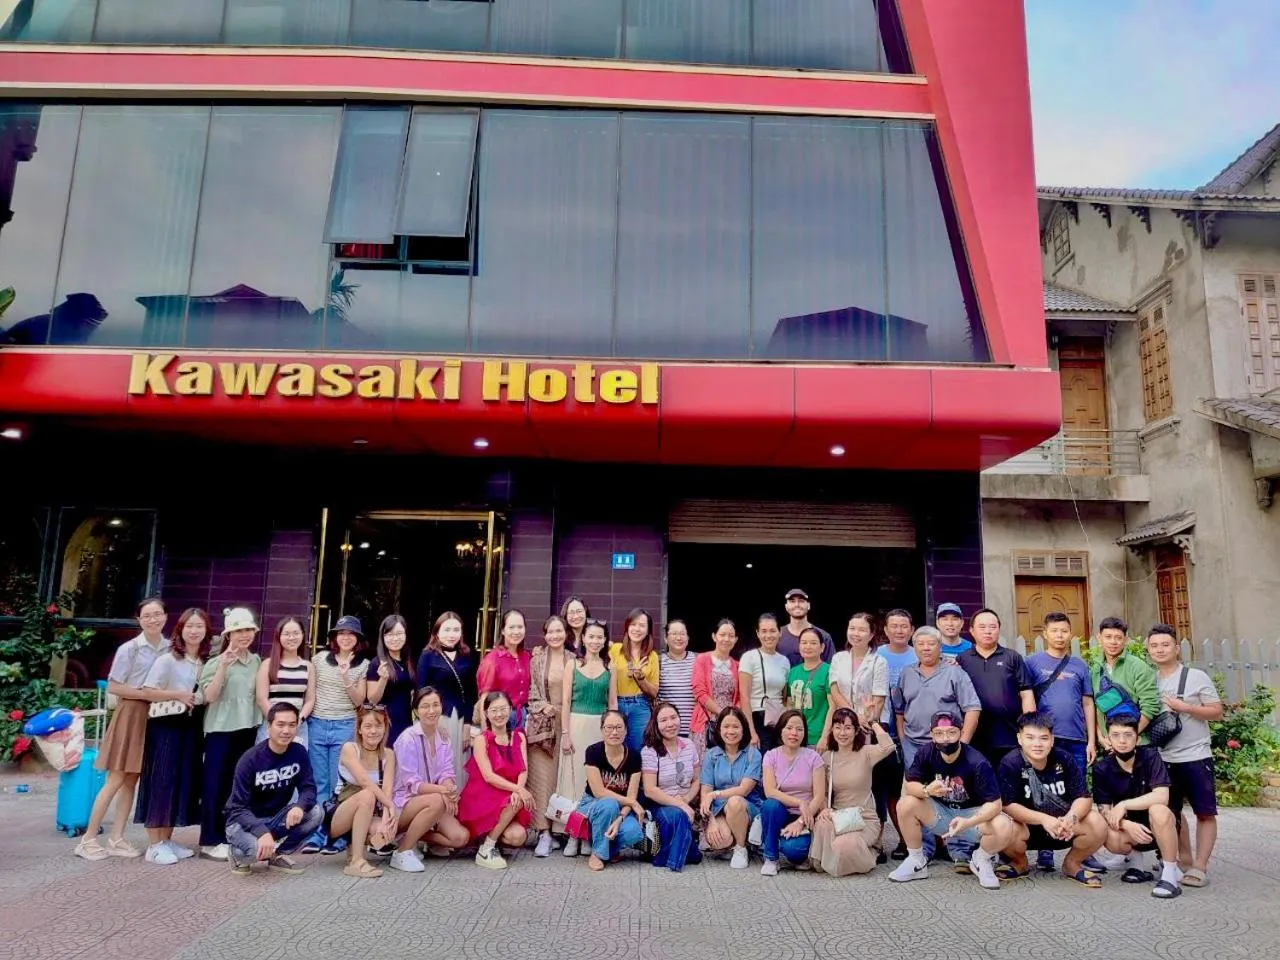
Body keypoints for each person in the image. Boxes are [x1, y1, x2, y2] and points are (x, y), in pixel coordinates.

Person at [76, 597, 179, 861]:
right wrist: (146, 693)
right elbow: (114, 686)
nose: (153, 619)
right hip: (131, 712)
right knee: (116, 779)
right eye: (147, 616)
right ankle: (88, 839)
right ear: (139, 619)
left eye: (158, 614)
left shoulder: (170, 648)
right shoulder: (130, 649)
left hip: (155, 716)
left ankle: (116, 838)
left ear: (166, 617)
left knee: (131, 780)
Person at [888, 711, 1014, 890]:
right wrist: (926, 790)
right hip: (941, 814)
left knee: (1003, 825)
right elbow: (910, 784)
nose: (945, 739)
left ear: (961, 733)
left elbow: (995, 804)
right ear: (932, 735)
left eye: (951, 732)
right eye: (939, 733)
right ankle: (916, 860)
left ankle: (981, 859)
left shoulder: (977, 762)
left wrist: (969, 822)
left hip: (972, 818)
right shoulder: (926, 752)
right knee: (906, 803)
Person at [1146, 625, 1222, 889]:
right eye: (1154, 645)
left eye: (1165, 645)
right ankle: (1182, 858)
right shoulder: (1149, 679)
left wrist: (1185, 708)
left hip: (1196, 755)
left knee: (1204, 812)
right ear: (1148, 649)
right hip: (1163, 757)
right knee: (1171, 813)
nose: (1159, 649)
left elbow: (1216, 711)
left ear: (1176, 648)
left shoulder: (1195, 677)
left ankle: (1199, 866)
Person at [134, 607, 211, 865]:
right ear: (180, 629)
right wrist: (177, 694)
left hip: (190, 728)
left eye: (199, 626)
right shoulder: (168, 659)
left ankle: (167, 840)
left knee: (180, 781)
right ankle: (154, 844)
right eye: (189, 626)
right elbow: (147, 691)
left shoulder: (204, 660)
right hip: (166, 727)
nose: (194, 630)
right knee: (162, 781)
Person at [995, 712, 1108, 888]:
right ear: (1019, 738)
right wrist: (1043, 819)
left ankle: (1072, 864)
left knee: (1097, 822)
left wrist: (1071, 818)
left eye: (1043, 738)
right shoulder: (1010, 763)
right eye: (1030, 738)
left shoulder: (1063, 759)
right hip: (1027, 828)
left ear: (1052, 739)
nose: (1037, 744)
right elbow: (1007, 805)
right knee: (1002, 825)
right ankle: (1019, 863)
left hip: (1063, 827)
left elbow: (1083, 797)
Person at [1026, 611, 1098, 871]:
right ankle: (1045, 849)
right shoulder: (1032, 662)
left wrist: (1091, 740)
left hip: (1076, 739)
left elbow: (1088, 702)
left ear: (1071, 633)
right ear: (1045, 633)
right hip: (1045, 741)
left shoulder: (1080, 665)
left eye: (1064, 631)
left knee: (1078, 794)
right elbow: (1026, 698)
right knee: (1045, 795)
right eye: (1054, 631)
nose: (1060, 635)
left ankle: (1084, 847)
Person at [224, 702, 322, 876]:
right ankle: (237, 853)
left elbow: (309, 789)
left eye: (292, 725)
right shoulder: (250, 760)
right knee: (255, 852)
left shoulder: (298, 752)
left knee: (316, 813)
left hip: (275, 817)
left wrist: (299, 806)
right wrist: (261, 832)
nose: (286, 730)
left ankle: (277, 854)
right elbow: (237, 808)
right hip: (242, 823)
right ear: (269, 726)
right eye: (280, 724)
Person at [1092, 716, 1183, 898]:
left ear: (1138, 738)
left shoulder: (1151, 757)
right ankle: (1135, 863)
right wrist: (1126, 825)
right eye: (1116, 735)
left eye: (1128, 735)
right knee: (1107, 832)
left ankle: (1170, 873)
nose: (1122, 741)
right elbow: (1104, 809)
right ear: (1108, 739)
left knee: (1158, 811)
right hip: (1130, 827)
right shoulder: (1102, 768)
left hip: (1159, 826)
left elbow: (1162, 796)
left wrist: (1124, 805)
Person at [809, 707, 897, 877]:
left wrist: (872, 723)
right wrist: (823, 809)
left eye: (848, 728)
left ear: (856, 731)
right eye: (838, 727)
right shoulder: (827, 757)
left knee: (844, 846)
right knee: (822, 824)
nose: (843, 733)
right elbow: (822, 791)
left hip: (863, 818)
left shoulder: (866, 753)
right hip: (838, 817)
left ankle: (868, 854)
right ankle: (836, 858)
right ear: (832, 729)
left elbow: (889, 746)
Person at [391, 687, 470, 871]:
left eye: (435, 705)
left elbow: (446, 772)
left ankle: (413, 836)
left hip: (433, 800)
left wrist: (449, 789)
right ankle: (402, 852)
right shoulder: (408, 739)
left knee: (460, 838)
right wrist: (443, 792)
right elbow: (413, 784)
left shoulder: (443, 737)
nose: (432, 710)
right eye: (425, 706)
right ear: (416, 710)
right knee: (436, 800)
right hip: (404, 803)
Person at [459, 692, 533, 870]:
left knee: (518, 836)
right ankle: (487, 848)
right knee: (513, 801)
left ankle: (490, 836)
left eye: (503, 709)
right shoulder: (481, 740)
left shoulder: (519, 737)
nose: (499, 714)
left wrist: (518, 790)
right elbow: (488, 776)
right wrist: (517, 790)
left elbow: (523, 769)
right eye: (494, 710)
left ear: (510, 710)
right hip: (485, 795)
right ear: (486, 713)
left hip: (509, 795)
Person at [325, 704, 399, 879]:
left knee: (386, 830)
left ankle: (353, 846)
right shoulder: (350, 749)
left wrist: (388, 821)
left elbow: (387, 791)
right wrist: (391, 805)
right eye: (368, 726)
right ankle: (357, 861)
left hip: (368, 814)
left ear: (385, 727)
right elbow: (365, 782)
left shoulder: (388, 755)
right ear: (359, 729)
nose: (373, 731)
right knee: (368, 794)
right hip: (339, 814)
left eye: (378, 725)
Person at [956, 608, 1035, 769]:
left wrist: (1029, 727)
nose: (988, 631)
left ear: (999, 629)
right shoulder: (962, 660)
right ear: (972, 631)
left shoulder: (1012, 657)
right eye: (982, 627)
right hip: (975, 735)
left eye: (992, 627)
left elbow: (1026, 693)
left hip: (1009, 734)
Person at [527, 614, 575, 857]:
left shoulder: (574, 659)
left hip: (565, 724)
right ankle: (543, 833)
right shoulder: (536, 659)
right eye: (551, 631)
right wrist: (541, 706)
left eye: (559, 631)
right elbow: (531, 691)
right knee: (542, 779)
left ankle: (561, 831)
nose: (555, 635)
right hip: (542, 725)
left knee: (561, 779)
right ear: (545, 634)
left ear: (566, 633)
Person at [758, 709, 826, 876]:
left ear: (804, 733)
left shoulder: (814, 757)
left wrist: (801, 821)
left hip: (805, 816)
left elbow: (819, 796)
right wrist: (800, 803)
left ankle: (773, 840)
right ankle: (771, 857)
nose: (794, 733)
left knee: (794, 850)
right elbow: (770, 791)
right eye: (789, 728)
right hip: (780, 812)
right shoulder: (770, 756)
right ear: (781, 729)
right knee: (769, 806)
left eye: (799, 729)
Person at [579, 709, 646, 871]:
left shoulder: (634, 757)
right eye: (609, 728)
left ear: (626, 730)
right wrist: (632, 802)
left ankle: (608, 847)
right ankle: (598, 854)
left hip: (620, 809)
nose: (614, 732)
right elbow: (598, 792)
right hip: (593, 805)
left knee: (634, 831)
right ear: (602, 730)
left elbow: (631, 794)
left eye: (619, 727)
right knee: (608, 804)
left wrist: (620, 818)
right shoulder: (593, 752)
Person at [640, 700, 702, 872]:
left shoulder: (689, 745)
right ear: (656, 724)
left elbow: (697, 780)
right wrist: (680, 804)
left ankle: (667, 854)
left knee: (695, 856)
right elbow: (650, 790)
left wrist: (686, 799)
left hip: (684, 801)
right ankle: (674, 863)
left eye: (673, 718)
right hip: (660, 804)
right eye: (664, 720)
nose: (670, 724)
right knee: (678, 815)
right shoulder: (650, 751)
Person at [699, 706, 763, 869]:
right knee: (720, 841)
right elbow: (705, 793)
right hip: (720, 809)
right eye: (726, 726)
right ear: (719, 729)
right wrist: (711, 821)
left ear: (744, 729)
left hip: (748, 807)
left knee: (735, 801)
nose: (731, 731)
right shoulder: (712, 755)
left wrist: (716, 794)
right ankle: (744, 843)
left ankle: (741, 848)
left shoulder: (752, 754)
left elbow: (744, 790)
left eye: (735, 726)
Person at [1091, 616, 1160, 747]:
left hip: (1138, 745)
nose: (1113, 642)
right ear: (1099, 638)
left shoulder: (1138, 667)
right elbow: (1096, 707)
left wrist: (1129, 738)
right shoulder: (1095, 669)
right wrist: (1100, 737)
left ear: (1126, 640)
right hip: (1109, 745)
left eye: (1118, 637)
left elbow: (1151, 707)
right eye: (1108, 637)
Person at [609, 608, 660, 752]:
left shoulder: (652, 656)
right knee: (616, 749)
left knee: (638, 751)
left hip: (640, 706)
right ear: (627, 626)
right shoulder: (615, 649)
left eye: (642, 625)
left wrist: (641, 679)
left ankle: (636, 776)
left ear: (648, 630)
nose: (637, 629)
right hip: (616, 705)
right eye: (633, 624)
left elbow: (654, 692)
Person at [738, 613, 789, 753]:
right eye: (764, 631)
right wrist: (751, 731)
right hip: (757, 717)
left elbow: (785, 697)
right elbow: (744, 696)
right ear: (757, 633)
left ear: (780, 632)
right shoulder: (749, 657)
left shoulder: (784, 661)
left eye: (773, 631)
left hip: (779, 720)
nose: (768, 635)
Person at [475, 610, 532, 729]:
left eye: (520, 627)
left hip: (523, 717)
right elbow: (484, 697)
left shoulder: (527, 657)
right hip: (500, 719)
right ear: (502, 630)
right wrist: (485, 729)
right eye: (511, 627)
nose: (516, 631)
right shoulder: (492, 660)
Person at [691, 620, 741, 752]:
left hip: (730, 723)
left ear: (736, 639)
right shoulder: (702, 659)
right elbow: (699, 692)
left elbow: (740, 696)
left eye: (731, 636)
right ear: (714, 636)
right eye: (722, 634)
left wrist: (731, 716)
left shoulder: (738, 665)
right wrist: (721, 713)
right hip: (707, 721)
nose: (726, 639)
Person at [366, 614, 416, 744]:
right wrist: (383, 679)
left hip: (406, 722)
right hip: (386, 722)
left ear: (405, 635)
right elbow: (372, 699)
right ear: (383, 638)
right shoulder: (377, 663)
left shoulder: (408, 661)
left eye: (399, 633)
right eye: (389, 635)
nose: (395, 638)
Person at [784, 627, 833, 748]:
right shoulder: (793, 672)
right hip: (795, 736)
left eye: (813, 643)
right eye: (804, 642)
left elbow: (833, 706)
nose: (808, 646)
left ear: (822, 647)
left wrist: (825, 737)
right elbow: (789, 704)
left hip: (817, 737)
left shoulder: (828, 671)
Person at [777, 588, 834, 665]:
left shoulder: (823, 636)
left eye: (801, 601)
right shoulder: (776, 635)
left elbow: (831, 669)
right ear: (786, 607)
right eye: (792, 601)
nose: (797, 604)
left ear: (808, 605)